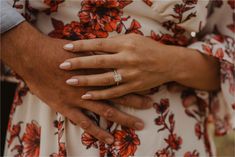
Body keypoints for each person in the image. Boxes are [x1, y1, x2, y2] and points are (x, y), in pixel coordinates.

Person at [1, 0, 234, 156]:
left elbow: (226, 50)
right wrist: (28, 52)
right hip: (50, 121)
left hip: (172, 135)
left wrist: (171, 63)